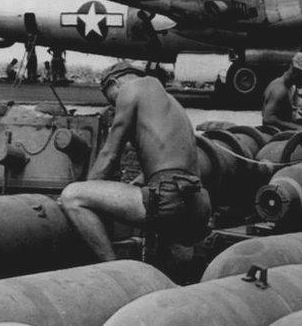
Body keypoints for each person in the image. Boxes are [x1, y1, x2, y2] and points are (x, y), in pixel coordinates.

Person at [59, 62, 211, 271]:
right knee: (172, 271)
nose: (114, 107)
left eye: (110, 99)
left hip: (168, 199)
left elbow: (109, 155)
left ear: (114, 83)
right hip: (197, 203)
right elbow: (169, 164)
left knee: (72, 195)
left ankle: (118, 272)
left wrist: (92, 192)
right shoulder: (168, 101)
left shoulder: (131, 89)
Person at [262, 52, 302, 130]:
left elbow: (284, 118)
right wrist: (297, 127)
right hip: (274, 136)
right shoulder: (279, 89)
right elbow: (268, 119)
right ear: (296, 73)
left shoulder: (289, 87)